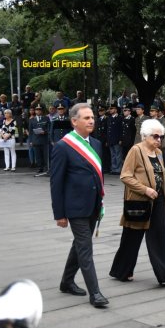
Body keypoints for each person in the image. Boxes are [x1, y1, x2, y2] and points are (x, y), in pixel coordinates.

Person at [50, 103, 108, 307]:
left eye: (92, 117)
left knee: (79, 244)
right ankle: (95, 293)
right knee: (85, 248)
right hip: (75, 208)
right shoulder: (63, 146)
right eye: (86, 118)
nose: (91, 120)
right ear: (74, 121)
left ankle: (66, 282)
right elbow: (56, 183)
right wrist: (59, 214)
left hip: (93, 205)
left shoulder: (97, 144)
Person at [109, 119, 165, 287]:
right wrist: (145, 189)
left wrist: (156, 191)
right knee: (131, 237)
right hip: (139, 201)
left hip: (159, 199)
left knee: (159, 237)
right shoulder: (136, 150)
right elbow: (125, 176)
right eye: (155, 136)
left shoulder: (159, 153)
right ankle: (122, 271)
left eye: (161, 136)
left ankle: (164, 276)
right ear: (144, 136)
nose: (159, 140)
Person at [29, 103, 50, 174]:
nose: (38, 111)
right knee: (38, 155)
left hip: (44, 139)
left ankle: (46, 167)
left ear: (42, 111)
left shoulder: (46, 118)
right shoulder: (32, 120)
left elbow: (49, 128)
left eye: (39, 110)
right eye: (37, 110)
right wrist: (31, 141)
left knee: (45, 155)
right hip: (36, 140)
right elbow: (30, 131)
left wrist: (45, 132)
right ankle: (40, 167)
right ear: (35, 111)